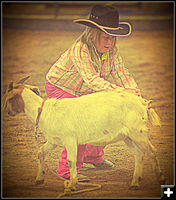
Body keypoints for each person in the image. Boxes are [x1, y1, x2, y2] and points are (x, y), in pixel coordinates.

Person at [45, 4, 141, 181]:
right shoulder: (80, 49)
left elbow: (122, 73)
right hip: (60, 87)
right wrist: (123, 94)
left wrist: (135, 94)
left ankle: (93, 157)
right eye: (106, 37)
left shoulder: (111, 51)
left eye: (113, 38)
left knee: (101, 116)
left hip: (84, 89)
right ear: (92, 34)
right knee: (80, 125)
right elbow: (92, 80)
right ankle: (66, 170)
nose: (110, 42)